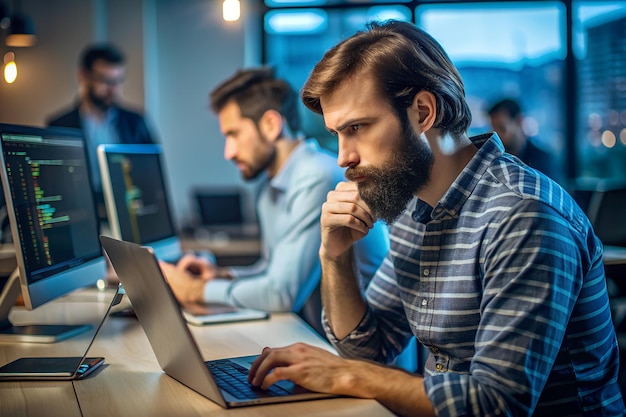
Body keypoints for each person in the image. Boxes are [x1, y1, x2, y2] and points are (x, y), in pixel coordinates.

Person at [247, 21, 625, 416]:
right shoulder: (412, 206)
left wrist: (346, 375)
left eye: (357, 128)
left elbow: (497, 404)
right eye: (337, 134)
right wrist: (335, 255)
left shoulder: (523, 214)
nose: (343, 158)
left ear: (423, 112)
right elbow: (368, 348)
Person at [159, 67, 388, 324]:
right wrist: (222, 275)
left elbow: (282, 293)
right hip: (316, 337)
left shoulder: (318, 175)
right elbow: (273, 271)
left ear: (270, 124)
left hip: (361, 352)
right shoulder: (270, 188)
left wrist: (193, 291)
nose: (229, 152)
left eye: (233, 134)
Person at [47, 43, 157, 218]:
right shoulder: (59, 125)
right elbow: (54, 183)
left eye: (118, 81)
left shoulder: (135, 122)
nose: (113, 89)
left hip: (129, 215)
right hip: (80, 216)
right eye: (106, 81)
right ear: (83, 76)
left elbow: (153, 176)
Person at [487, 98, 561, 183]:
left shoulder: (542, 161)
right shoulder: (495, 160)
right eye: (493, 129)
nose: (496, 135)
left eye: (502, 128)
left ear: (519, 121)